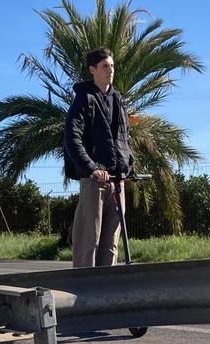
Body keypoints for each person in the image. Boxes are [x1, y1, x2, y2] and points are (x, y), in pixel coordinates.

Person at [63, 47, 133, 268]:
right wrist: (92, 168)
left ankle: (106, 285)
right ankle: (83, 285)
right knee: (89, 240)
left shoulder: (118, 100)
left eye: (112, 66)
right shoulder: (84, 99)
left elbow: (124, 138)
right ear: (92, 70)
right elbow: (72, 138)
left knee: (111, 243)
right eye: (105, 66)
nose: (110, 70)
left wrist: (127, 167)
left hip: (117, 181)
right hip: (95, 181)